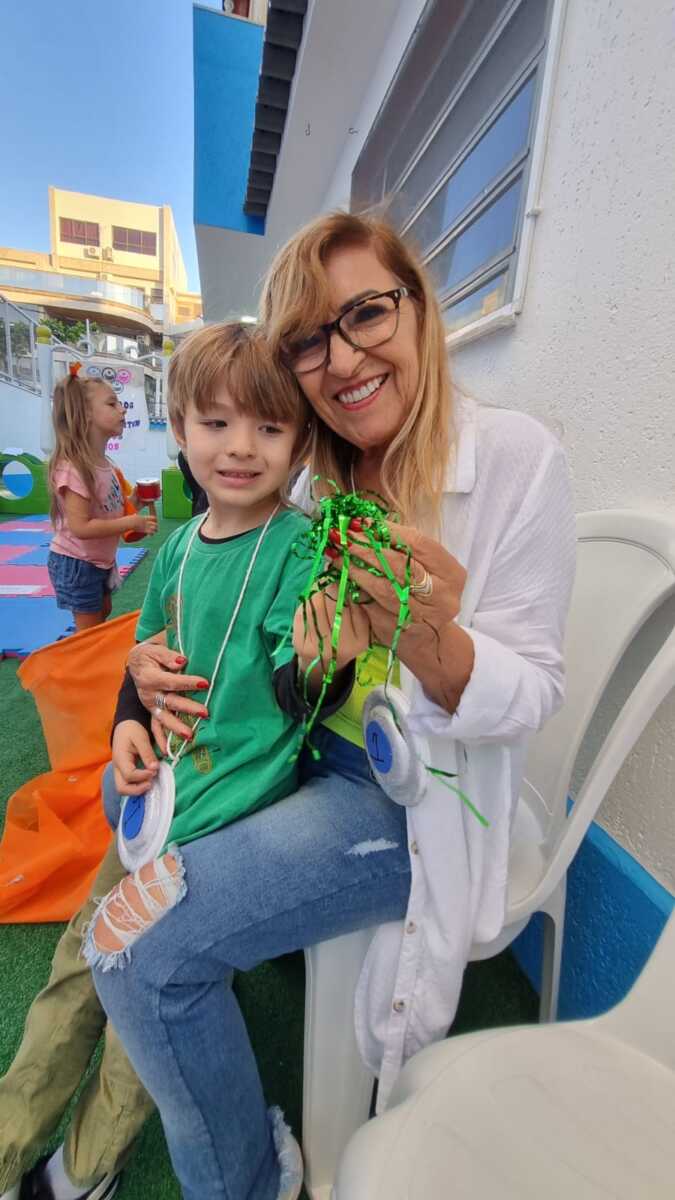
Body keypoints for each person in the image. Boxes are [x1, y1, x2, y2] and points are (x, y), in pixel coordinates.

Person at [86, 211, 576, 1200]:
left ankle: (249, 1179)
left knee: (132, 950)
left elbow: (533, 691)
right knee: (117, 829)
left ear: (417, 307)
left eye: (366, 314)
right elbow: (248, 657)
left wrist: (423, 634)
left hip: (403, 805)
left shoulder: (515, 457)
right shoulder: (309, 489)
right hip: (289, 765)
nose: (344, 358)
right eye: (310, 339)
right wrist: (139, 699)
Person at [0, 322, 351, 1200]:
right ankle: (8, 1142)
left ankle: (84, 1168)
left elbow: (298, 686)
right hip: (154, 800)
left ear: (300, 441)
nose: (240, 448)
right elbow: (147, 655)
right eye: (217, 423)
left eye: (268, 428)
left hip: (224, 826)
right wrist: (128, 719)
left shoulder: (298, 548)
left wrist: (323, 657)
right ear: (181, 429)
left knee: (141, 1000)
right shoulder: (178, 548)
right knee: (76, 967)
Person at [46, 365, 157, 632]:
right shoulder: (74, 468)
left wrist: (135, 502)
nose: (122, 409)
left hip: (99, 560)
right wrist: (132, 522)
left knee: (103, 612)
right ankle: (80, 656)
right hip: (76, 562)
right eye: (112, 403)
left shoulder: (105, 464)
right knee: (90, 630)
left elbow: (108, 510)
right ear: (85, 414)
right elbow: (81, 527)